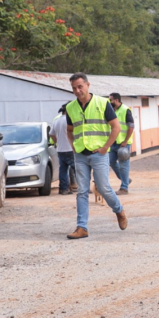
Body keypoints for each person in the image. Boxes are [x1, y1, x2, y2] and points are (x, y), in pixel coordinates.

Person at [65, 73, 128, 239]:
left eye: (80, 86)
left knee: (104, 188)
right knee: (82, 191)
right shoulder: (70, 107)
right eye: (74, 88)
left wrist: (105, 147)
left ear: (88, 85)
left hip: (99, 154)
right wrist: (73, 146)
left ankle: (119, 210)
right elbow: (69, 131)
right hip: (80, 154)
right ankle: (82, 227)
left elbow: (116, 127)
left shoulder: (102, 103)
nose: (77, 91)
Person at [108, 93, 134, 195]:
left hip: (123, 143)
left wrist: (125, 141)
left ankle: (124, 188)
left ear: (117, 100)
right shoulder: (111, 111)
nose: (109, 102)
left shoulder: (125, 110)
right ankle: (126, 179)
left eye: (111, 100)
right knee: (111, 161)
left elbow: (131, 126)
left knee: (124, 165)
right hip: (113, 142)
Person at [49, 104, 76, 195]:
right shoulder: (70, 121)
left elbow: (51, 134)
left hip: (60, 149)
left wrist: (56, 142)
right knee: (78, 169)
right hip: (70, 149)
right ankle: (84, 188)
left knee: (63, 170)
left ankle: (64, 189)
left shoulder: (56, 121)